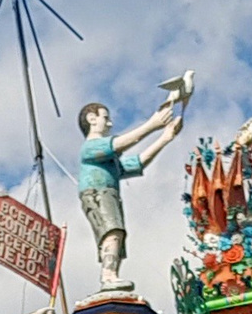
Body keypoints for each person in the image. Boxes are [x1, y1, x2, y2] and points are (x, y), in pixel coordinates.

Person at [77, 85, 188, 292]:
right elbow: (118, 144)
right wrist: (152, 125)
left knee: (116, 233)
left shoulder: (107, 159)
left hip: (108, 193)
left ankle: (111, 274)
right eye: (105, 117)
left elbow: (136, 163)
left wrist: (165, 137)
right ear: (91, 119)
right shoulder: (91, 147)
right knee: (112, 231)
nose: (109, 123)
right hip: (97, 194)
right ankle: (108, 275)